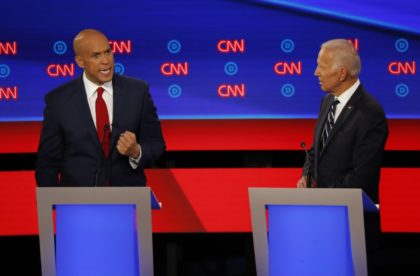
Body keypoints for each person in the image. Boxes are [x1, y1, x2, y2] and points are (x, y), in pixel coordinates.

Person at [35, 29, 165, 187]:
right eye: (96, 55)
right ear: (80, 61)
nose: (106, 61)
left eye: (108, 52)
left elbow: (156, 143)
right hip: (77, 202)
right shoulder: (58, 100)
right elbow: (47, 162)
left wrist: (136, 151)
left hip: (127, 198)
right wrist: (51, 204)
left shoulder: (138, 92)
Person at [296, 39, 388, 204]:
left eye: (322, 67)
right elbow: (316, 151)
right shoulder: (327, 102)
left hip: (353, 217)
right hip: (323, 212)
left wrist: (322, 196)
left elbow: (363, 177)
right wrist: (307, 177)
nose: (316, 72)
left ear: (342, 73)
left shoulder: (370, 113)